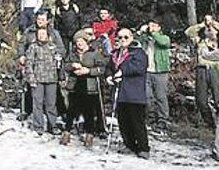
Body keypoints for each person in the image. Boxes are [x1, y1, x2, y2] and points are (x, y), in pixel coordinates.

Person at [107, 28, 150, 159]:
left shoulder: (138, 53)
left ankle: (143, 147)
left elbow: (139, 67)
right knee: (123, 122)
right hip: (120, 93)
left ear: (131, 38)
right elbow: (109, 67)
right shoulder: (115, 53)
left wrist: (122, 71)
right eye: (120, 37)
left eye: (125, 37)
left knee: (136, 122)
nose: (122, 40)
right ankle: (129, 144)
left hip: (134, 94)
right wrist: (109, 76)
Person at [18, 10, 65, 121]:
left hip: (50, 68)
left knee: (53, 95)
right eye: (38, 19)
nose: (40, 22)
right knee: (31, 91)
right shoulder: (29, 31)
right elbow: (21, 44)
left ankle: (58, 114)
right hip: (33, 64)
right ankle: (28, 112)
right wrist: (21, 55)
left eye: (42, 20)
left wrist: (55, 55)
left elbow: (61, 49)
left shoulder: (54, 33)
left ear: (47, 20)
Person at [59, 35, 105, 146]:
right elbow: (65, 66)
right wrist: (72, 66)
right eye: (77, 42)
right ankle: (67, 132)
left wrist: (88, 71)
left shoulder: (94, 53)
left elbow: (102, 69)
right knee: (71, 110)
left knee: (88, 111)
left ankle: (89, 134)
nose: (79, 44)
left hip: (89, 86)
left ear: (86, 42)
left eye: (81, 41)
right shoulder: (73, 54)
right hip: (75, 85)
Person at [185, 15, 219, 128]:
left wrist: (213, 23)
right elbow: (188, 32)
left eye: (213, 30)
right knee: (201, 101)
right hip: (201, 70)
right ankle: (210, 125)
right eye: (208, 30)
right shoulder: (200, 41)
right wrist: (203, 24)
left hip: (214, 70)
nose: (210, 31)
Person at [24, 28, 64, 135]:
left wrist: (61, 76)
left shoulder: (53, 47)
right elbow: (29, 64)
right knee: (38, 104)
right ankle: (38, 126)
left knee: (51, 104)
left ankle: (53, 125)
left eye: (43, 34)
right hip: (38, 79)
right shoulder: (33, 47)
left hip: (52, 79)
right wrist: (31, 78)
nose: (41, 36)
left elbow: (59, 63)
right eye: (39, 34)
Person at [137, 21, 171, 131]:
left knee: (161, 97)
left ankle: (162, 120)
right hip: (146, 71)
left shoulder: (164, 37)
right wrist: (141, 33)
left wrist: (154, 33)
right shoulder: (146, 39)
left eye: (153, 26)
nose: (150, 28)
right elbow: (134, 41)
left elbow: (163, 43)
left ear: (159, 27)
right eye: (149, 26)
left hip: (160, 72)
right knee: (147, 97)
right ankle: (150, 118)